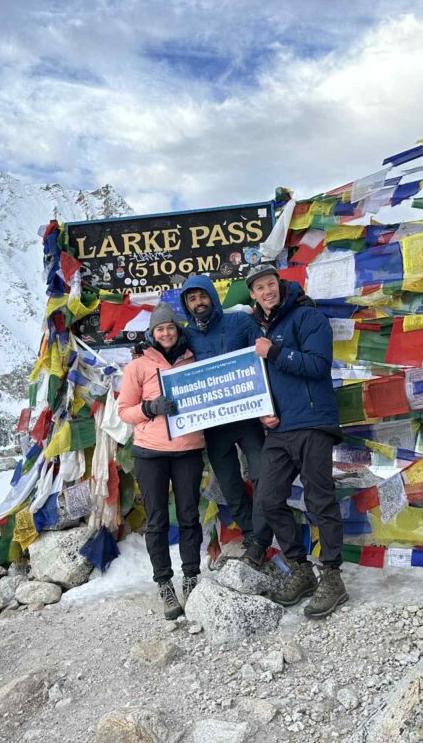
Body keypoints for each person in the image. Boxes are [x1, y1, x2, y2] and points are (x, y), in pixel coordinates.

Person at [246, 263, 348, 618]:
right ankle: (300, 568)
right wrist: (263, 411)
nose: (266, 291)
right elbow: (262, 382)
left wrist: (274, 351)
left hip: (313, 422)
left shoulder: (307, 317)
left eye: (270, 284)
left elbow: (319, 366)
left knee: (319, 499)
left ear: (280, 284)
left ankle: (332, 576)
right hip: (279, 428)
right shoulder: (260, 329)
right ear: (253, 295)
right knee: (269, 498)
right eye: (259, 288)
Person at [178, 274, 273, 568]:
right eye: (191, 299)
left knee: (262, 476)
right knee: (231, 485)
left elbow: (262, 359)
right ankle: (250, 535)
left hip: (248, 418)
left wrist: (267, 404)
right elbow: (162, 345)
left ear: (212, 297)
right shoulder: (184, 335)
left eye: (202, 296)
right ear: (186, 305)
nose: (198, 303)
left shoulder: (239, 323)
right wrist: (144, 344)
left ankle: (261, 538)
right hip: (214, 425)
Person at [118, 303, 205, 619]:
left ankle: (192, 578)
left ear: (177, 329)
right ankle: (165, 584)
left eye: (170, 327)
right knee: (156, 521)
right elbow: (123, 410)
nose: (166, 333)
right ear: (152, 333)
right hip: (150, 454)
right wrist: (150, 408)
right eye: (160, 329)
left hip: (188, 450)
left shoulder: (192, 359)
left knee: (188, 516)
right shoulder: (138, 366)